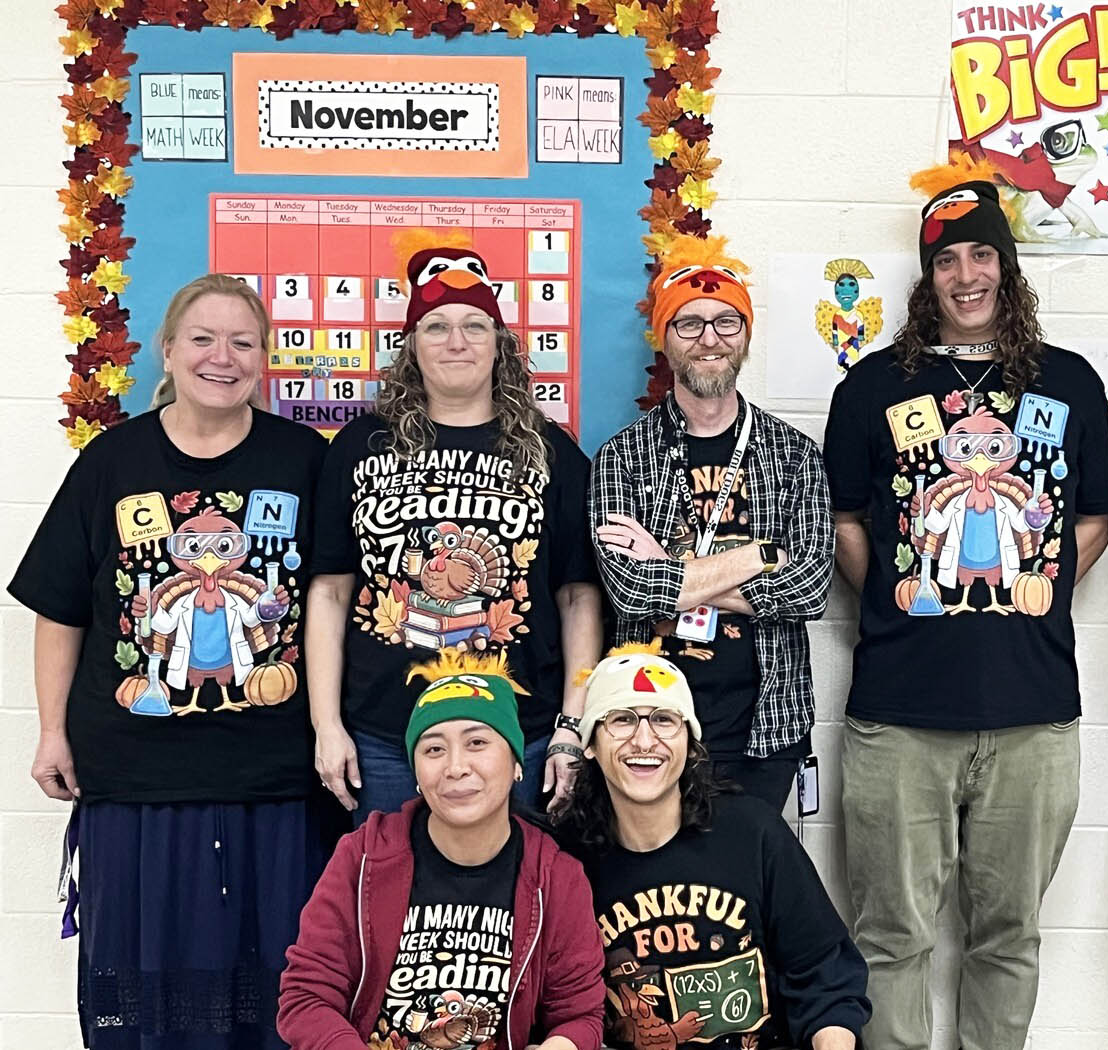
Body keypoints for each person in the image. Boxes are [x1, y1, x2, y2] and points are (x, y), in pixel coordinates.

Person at [822, 156, 1108, 1050]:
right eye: (947, 261)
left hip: (1032, 713)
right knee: (891, 939)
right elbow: (847, 522)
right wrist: (908, 592)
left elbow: (1092, 522)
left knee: (1008, 939)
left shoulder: (1068, 381)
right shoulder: (873, 386)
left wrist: (1036, 590)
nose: (966, 276)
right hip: (899, 715)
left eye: (981, 257)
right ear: (928, 276)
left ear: (1007, 267)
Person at [8, 272, 328, 1049]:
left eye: (242, 342)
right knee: (143, 994)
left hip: (275, 777)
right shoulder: (111, 462)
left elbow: (332, 604)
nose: (223, 357)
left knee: (276, 987)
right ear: (168, 348)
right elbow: (60, 610)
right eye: (203, 338)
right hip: (133, 777)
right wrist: (51, 732)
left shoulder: (304, 460)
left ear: (265, 359)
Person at [308, 234, 602, 824]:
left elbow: (578, 597)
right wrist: (326, 726)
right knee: (387, 900)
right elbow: (330, 592)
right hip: (384, 739)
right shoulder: (361, 446)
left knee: (516, 903)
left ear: (501, 344)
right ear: (411, 345)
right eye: (437, 326)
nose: (457, 341)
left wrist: (573, 725)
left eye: (475, 325)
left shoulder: (553, 452)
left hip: (521, 735)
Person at [588, 236, 834, 810]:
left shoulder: (794, 454)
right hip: (645, 721)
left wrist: (665, 566)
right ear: (665, 340)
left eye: (727, 322)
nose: (709, 340)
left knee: (747, 888)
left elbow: (813, 587)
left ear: (746, 335)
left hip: (767, 721)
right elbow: (630, 593)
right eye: (689, 324)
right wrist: (762, 554)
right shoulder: (621, 456)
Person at [279, 649, 605, 1050]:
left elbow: (580, 1015)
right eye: (434, 749)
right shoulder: (363, 857)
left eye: (477, 742)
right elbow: (306, 998)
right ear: (415, 771)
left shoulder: (555, 876)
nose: (455, 767)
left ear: (517, 764)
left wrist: (563, 1044)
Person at [555, 642, 870, 1050]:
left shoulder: (753, 833)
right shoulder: (565, 859)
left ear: (690, 743)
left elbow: (825, 977)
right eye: (622, 720)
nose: (644, 740)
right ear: (591, 745)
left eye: (665, 720)